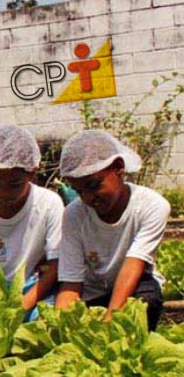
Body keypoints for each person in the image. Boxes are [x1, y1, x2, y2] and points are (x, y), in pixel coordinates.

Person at [55, 130, 169, 330]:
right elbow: (71, 283)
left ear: (118, 168)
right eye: (79, 191)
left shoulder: (151, 205)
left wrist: (109, 324)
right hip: (93, 293)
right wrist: (61, 327)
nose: (88, 198)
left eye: (94, 185)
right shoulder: (73, 215)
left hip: (134, 287)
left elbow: (133, 266)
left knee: (144, 301)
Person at [0, 124, 64, 317]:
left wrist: (23, 306)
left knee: (45, 322)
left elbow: (56, 266)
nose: (4, 193)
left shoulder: (49, 204)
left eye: (14, 184)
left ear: (31, 173)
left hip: (33, 290)